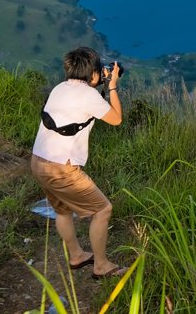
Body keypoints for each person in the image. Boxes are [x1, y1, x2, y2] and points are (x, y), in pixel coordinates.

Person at [30, 46, 127, 279]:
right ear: (93, 73)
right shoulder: (88, 95)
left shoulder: (59, 88)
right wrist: (111, 85)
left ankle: (76, 256)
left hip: (38, 162)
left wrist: (100, 86)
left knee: (62, 210)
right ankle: (101, 265)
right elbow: (116, 119)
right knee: (103, 209)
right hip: (62, 169)